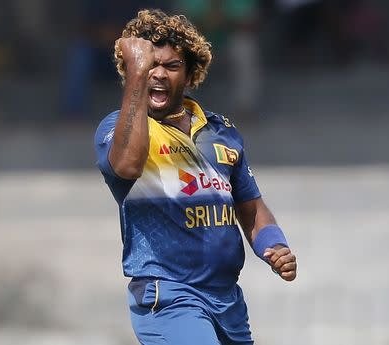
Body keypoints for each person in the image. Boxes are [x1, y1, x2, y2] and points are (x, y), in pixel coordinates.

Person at [94, 9, 297, 345]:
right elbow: (128, 166)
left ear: (190, 75)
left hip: (227, 299)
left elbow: (251, 207)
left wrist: (273, 245)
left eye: (171, 66)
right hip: (169, 296)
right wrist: (136, 74)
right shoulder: (118, 129)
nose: (157, 74)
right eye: (148, 65)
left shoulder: (222, 131)